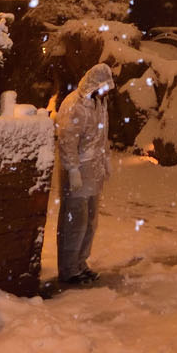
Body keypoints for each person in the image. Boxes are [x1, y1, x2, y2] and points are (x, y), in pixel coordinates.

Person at [55, 63, 114, 285]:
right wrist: (72, 170)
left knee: (90, 220)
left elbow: (102, 135)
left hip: (94, 169)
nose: (107, 91)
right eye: (104, 87)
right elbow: (67, 140)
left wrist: (105, 160)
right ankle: (69, 269)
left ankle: (81, 263)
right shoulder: (75, 105)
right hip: (78, 171)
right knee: (74, 221)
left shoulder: (100, 102)